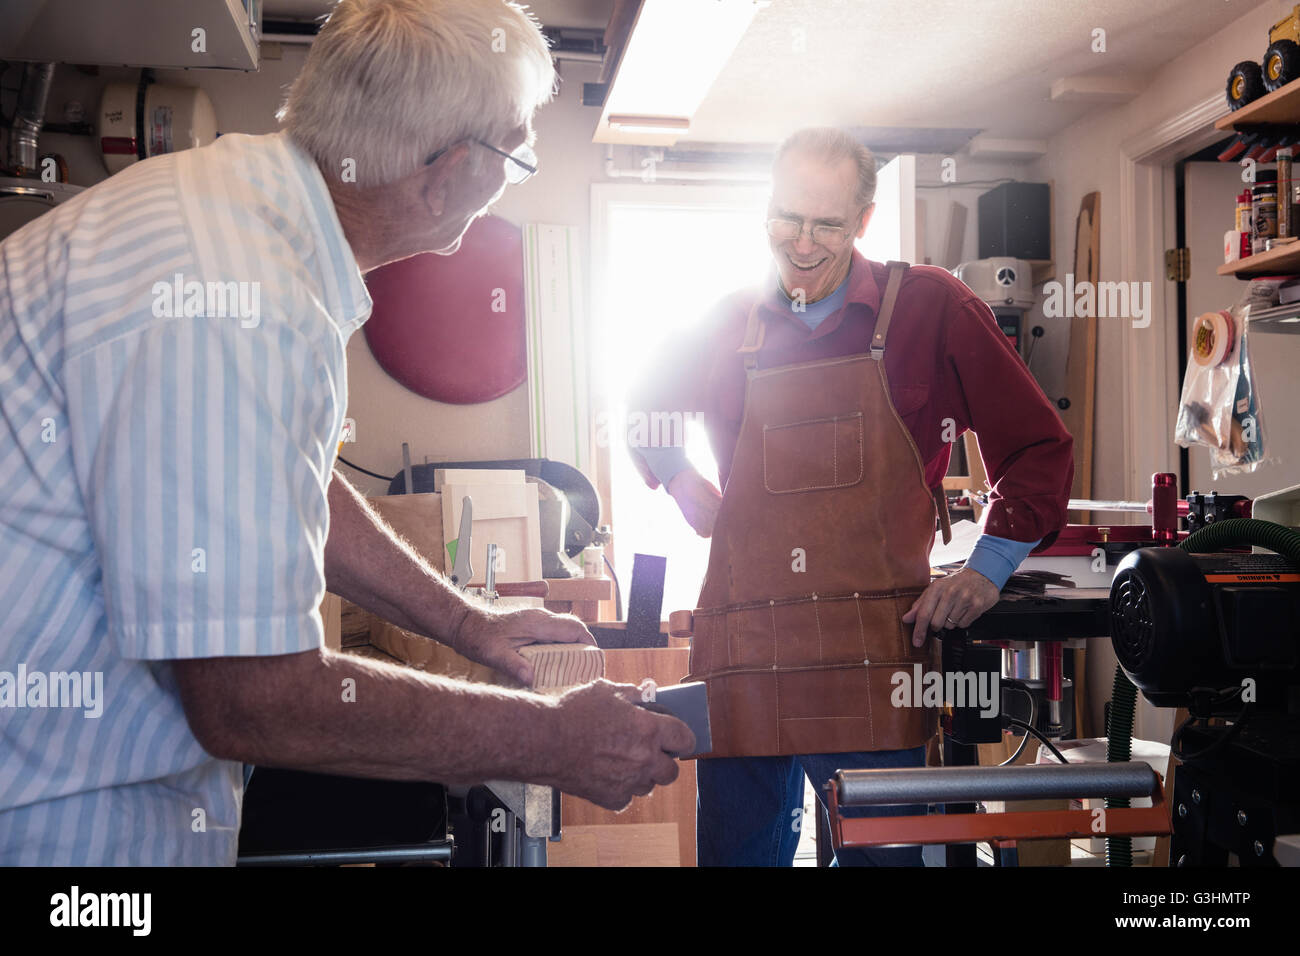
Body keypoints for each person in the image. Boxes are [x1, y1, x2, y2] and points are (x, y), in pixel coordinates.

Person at [0, 0, 691, 866]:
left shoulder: (244, 209)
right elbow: (253, 699)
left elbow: (291, 481)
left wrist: (467, 621)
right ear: (445, 173)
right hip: (53, 824)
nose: (512, 180)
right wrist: (550, 739)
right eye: (516, 155)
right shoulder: (239, 297)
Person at [629, 127, 1073, 866]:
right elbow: (644, 407)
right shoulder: (725, 321)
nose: (802, 243)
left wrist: (985, 569)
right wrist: (679, 480)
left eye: (827, 224)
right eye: (786, 217)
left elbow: (1037, 444)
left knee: (886, 858)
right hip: (745, 649)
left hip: (873, 654)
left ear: (864, 219)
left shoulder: (932, 308)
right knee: (739, 856)